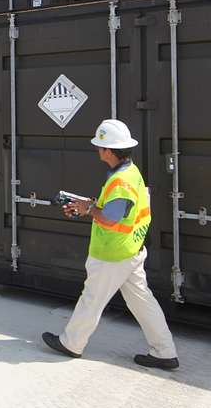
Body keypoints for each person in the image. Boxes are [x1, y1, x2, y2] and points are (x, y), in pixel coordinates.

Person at [42, 119, 179, 370]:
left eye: (99, 146)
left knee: (92, 299)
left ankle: (72, 343)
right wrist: (90, 204)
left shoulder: (121, 181)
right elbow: (119, 210)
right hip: (131, 249)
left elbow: (111, 217)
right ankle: (164, 351)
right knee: (142, 301)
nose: (97, 150)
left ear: (108, 150)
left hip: (113, 253)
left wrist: (88, 209)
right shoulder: (130, 173)